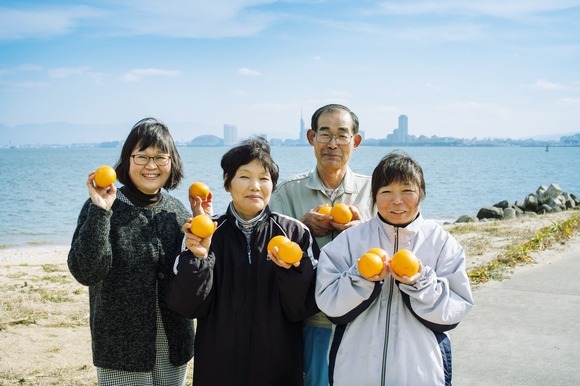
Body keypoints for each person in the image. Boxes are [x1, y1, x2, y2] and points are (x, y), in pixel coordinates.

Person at [166, 137, 319, 386]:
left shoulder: (294, 233)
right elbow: (186, 306)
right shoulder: (203, 233)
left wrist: (291, 272)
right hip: (217, 370)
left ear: (273, 186)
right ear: (228, 183)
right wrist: (200, 258)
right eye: (245, 176)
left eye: (264, 178)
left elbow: (304, 308)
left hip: (279, 371)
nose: (255, 186)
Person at [315, 150, 474, 386]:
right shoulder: (351, 240)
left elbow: (456, 306)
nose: (397, 201)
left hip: (422, 372)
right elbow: (328, 301)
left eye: (407, 191)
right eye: (386, 192)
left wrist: (421, 281)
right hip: (355, 370)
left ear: (421, 194)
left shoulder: (441, 242)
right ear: (374, 197)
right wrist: (361, 277)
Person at [68, 118, 198, 385]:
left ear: (172, 162)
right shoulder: (103, 207)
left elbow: (193, 279)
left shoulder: (179, 212)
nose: (151, 166)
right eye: (141, 157)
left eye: (160, 157)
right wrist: (101, 211)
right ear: (127, 160)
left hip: (174, 344)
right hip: (121, 347)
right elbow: (86, 272)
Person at [269, 103, 373, 386]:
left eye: (342, 135)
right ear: (311, 137)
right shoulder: (288, 192)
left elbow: (399, 244)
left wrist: (363, 233)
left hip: (363, 322)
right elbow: (268, 252)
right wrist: (299, 228)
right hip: (311, 322)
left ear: (356, 141)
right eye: (325, 134)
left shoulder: (375, 191)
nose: (333, 143)